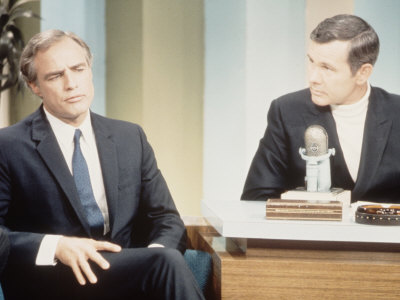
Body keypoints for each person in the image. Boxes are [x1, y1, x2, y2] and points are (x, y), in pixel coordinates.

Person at [0, 29, 204, 299]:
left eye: (78, 69)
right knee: (166, 264)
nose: (71, 83)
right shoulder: (8, 145)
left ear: (90, 71)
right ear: (34, 86)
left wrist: (151, 261)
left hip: (125, 275)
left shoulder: (129, 137)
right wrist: (55, 245)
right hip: (54, 280)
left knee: (166, 261)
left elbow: (166, 219)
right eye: (55, 76)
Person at [242, 14, 400, 204]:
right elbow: (256, 199)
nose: (313, 78)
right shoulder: (286, 111)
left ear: (362, 73)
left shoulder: (396, 112)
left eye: (327, 68)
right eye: (311, 62)